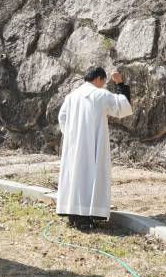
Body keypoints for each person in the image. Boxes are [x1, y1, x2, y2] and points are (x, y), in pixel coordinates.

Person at [56, 66, 133, 231]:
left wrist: (72, 134)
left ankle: (73, 214)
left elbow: (62, 117)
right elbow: (123, 108)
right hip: (93, 143)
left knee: (75, 177)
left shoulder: (71, 96)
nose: (103, 85)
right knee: (92, 175)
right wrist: (120, 84)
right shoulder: (101, 94)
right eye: (103, 82)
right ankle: (86, 216)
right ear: (99, 79)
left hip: (74, 145)